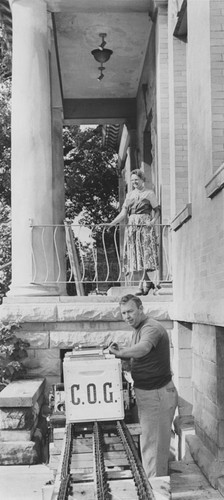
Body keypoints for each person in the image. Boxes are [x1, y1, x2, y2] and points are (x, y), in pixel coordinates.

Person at [109, 294, 178, 478]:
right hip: (150, 394)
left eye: (130, 311)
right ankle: (157, 488)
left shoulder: (151, 328)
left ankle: (157, 493)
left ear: (141, 308)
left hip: (157, 395)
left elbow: (144, 349)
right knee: (151, 447)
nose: (127, 316)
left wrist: (121, 352)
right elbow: (141, 358)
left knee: (153, 450)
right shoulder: (139, 328)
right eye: (123, 313)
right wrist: (123, 360)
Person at [108, 169, 160, 295]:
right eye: (132, 180)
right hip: (132, 226)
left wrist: (152, 221)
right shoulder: (130, 195)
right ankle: (146, 282)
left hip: (144, 225)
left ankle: (142, 284)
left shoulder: (149, 194)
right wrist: (111, 223)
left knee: (144, 254)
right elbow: (123, 213)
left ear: (142, 180)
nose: (134, 182)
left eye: (136, 179)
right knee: (136, 255)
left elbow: (157, 210)